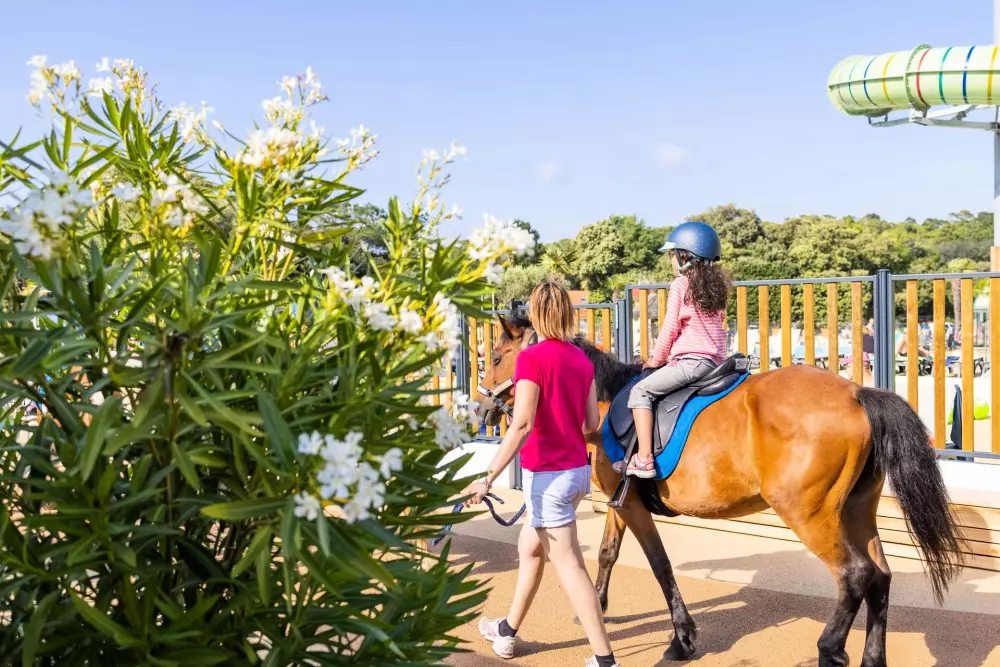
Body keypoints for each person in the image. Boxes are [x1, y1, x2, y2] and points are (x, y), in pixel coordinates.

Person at [462, 281, 623, 667]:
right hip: (575, 474)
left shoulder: (531, 359)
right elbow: (590, 424)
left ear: (534, 315)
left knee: (570, 567)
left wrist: (487, 478)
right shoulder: (582, 361)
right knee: (530, 550)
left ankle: (605, 660)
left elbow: (521, 425)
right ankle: (506, 632)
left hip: (548, 477)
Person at [614, 221, 730, 479]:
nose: (671, 260)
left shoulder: (681, 284)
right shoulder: (717, 287)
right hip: (714, 362)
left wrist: (655, 360)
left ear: (686, 256)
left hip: (690, 362)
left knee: (640, 391)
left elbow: (669, 328)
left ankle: (644, 459)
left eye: (672, 255)